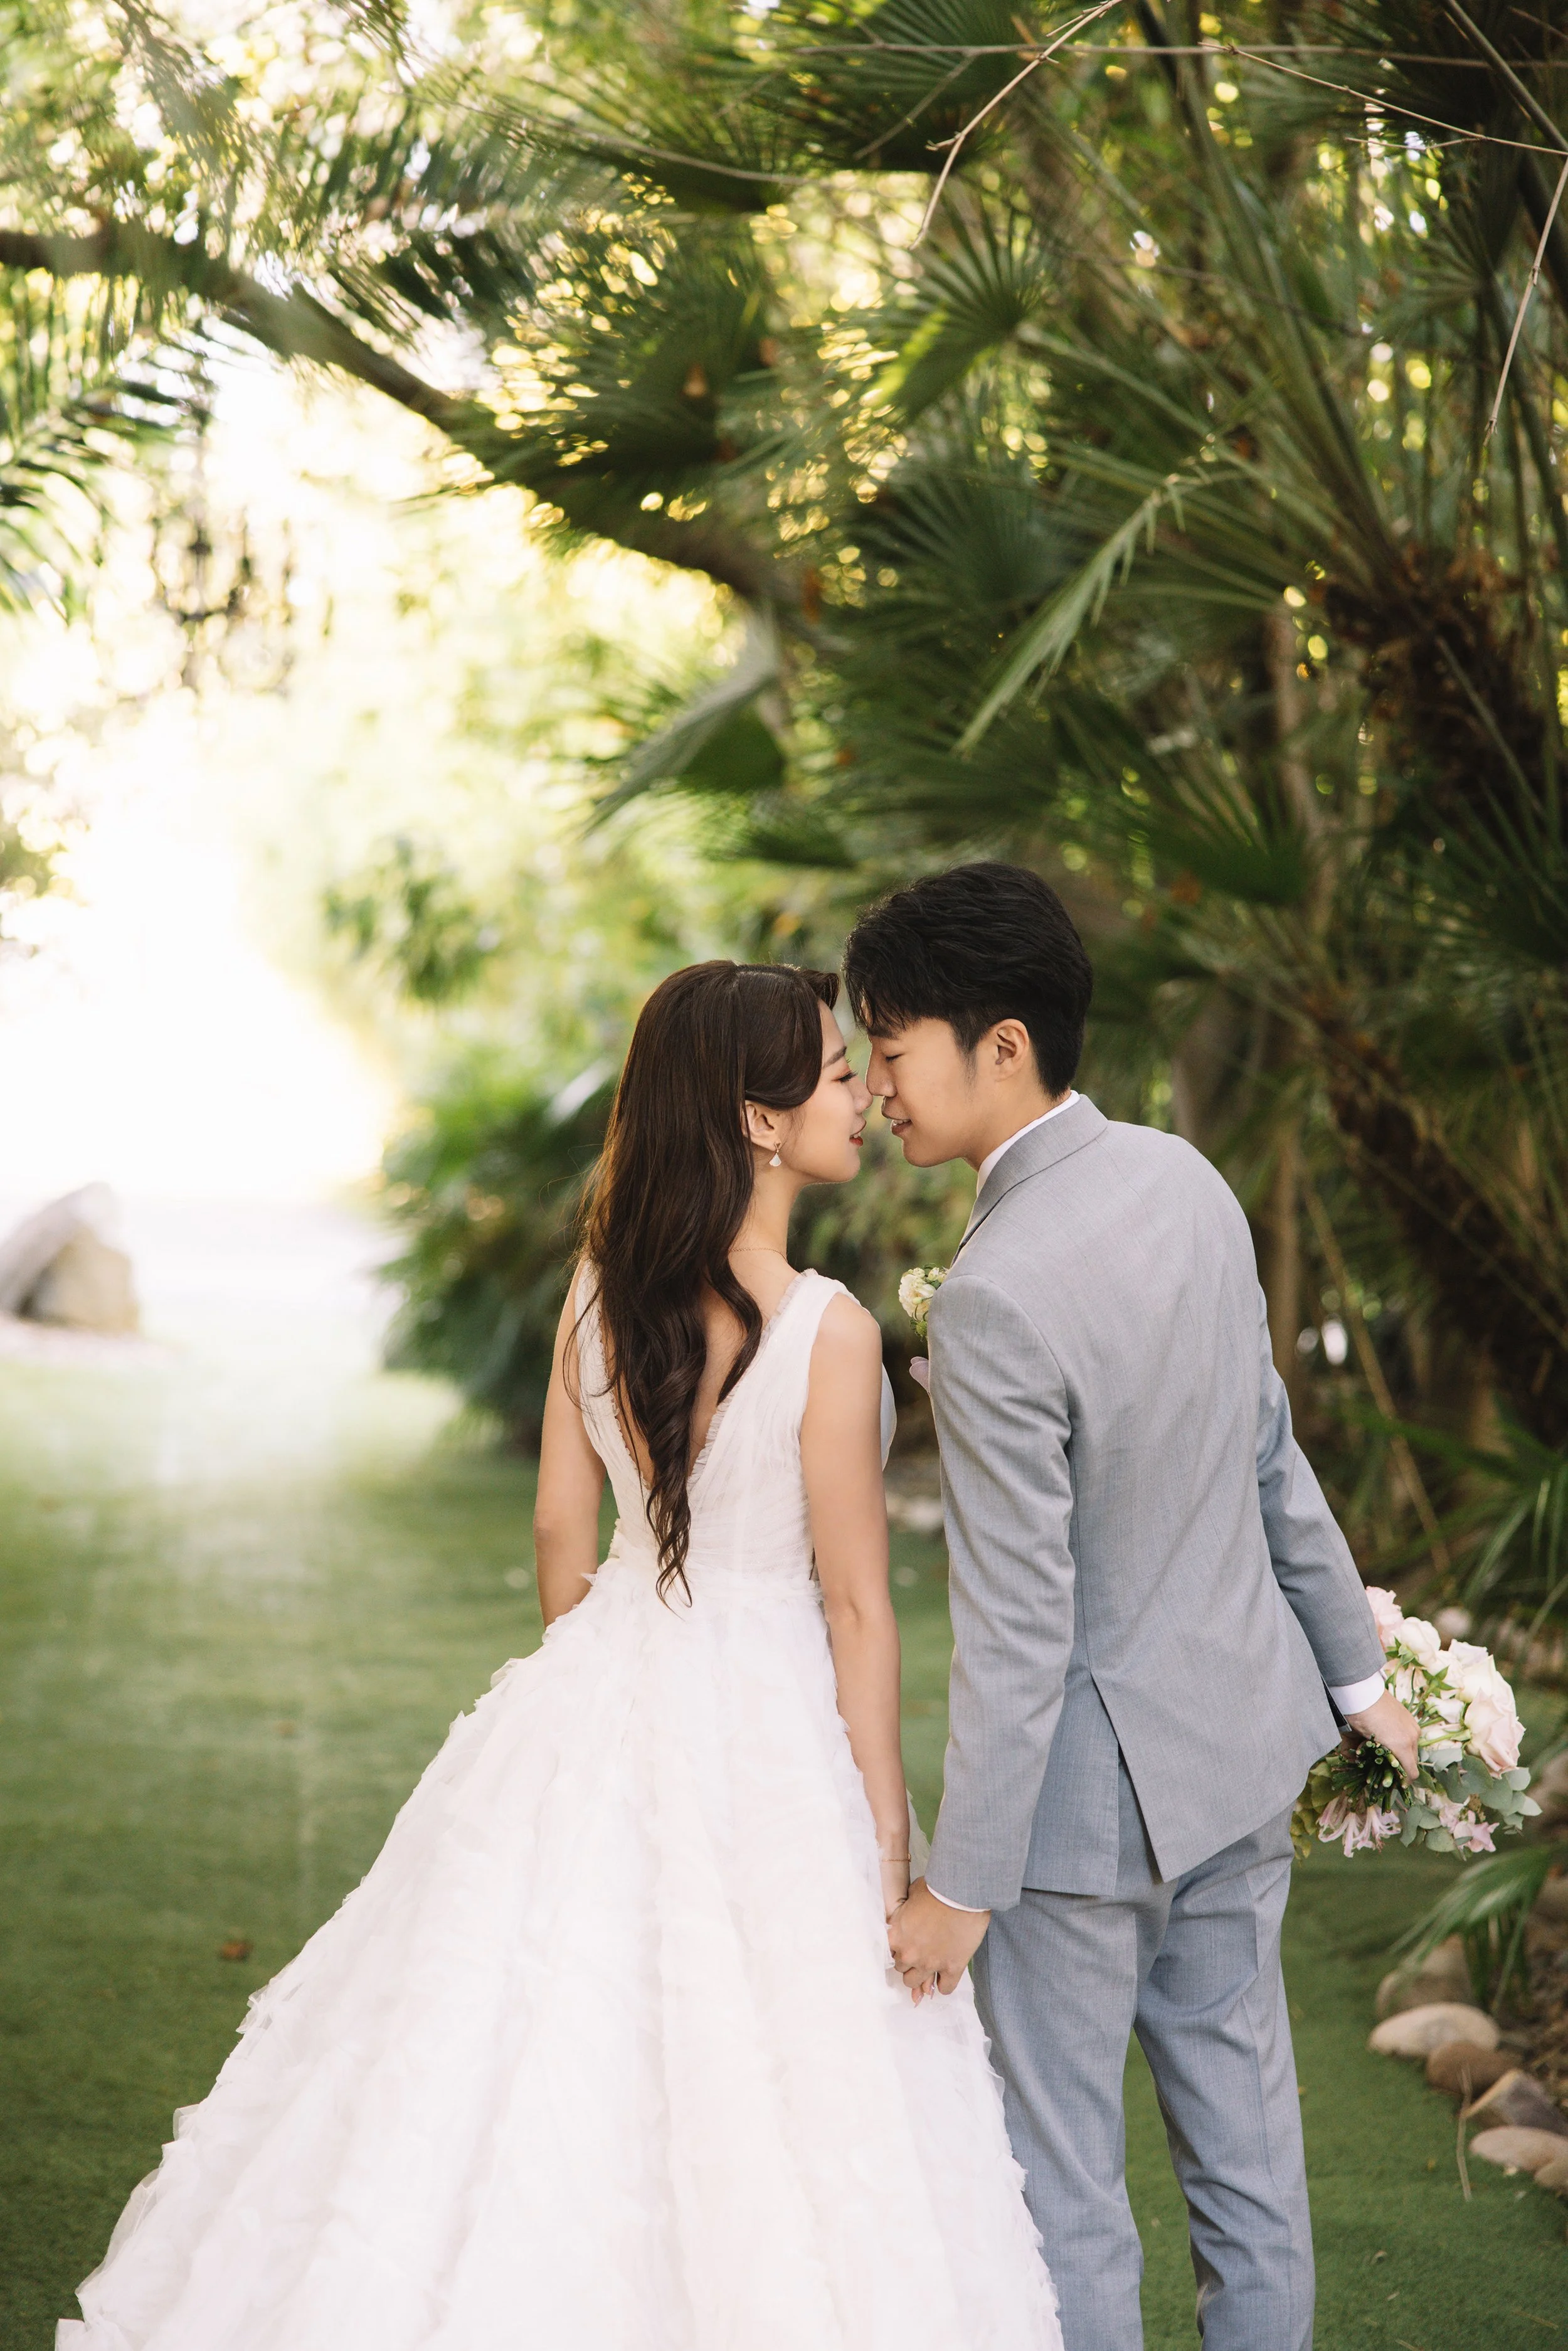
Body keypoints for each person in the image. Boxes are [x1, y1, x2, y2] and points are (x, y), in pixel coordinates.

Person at [60, 960, 1061, 2351]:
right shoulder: (827, 1327)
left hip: (596, 1691)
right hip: (769, 1723)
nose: (856, 1088)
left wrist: (609, 1689)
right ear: (756, 1119)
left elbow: (556, 1528)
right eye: (833, 1070)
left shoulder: (599, 1293)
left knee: (531, 2036)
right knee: (778, 2075)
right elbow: (851, 1607)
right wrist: (882, 1826)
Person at [845, 864, 1419, 2351]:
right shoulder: (1184, 1178)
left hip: (1079, 1835)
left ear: (1003, 1042)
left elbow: (1020, 1630)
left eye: (891, 1048)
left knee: (1063, 2196)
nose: (875, 1087)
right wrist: (1356, 1683)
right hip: (1238, 1761)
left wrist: (956, 1887)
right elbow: (1265, 1448)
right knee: (1248, 2171)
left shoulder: (990, 1293)